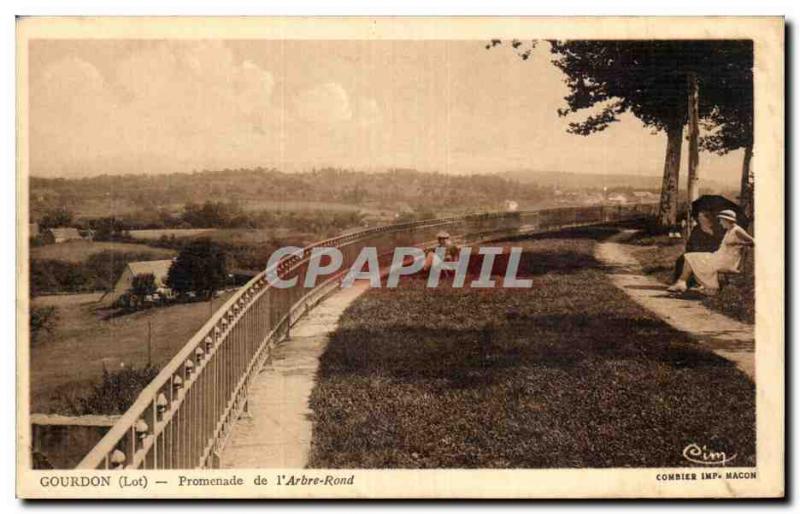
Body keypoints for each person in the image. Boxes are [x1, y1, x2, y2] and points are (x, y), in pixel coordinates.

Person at [667, 210, 754, 294]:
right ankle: (682, 282)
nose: (720, 223)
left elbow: (753, 241)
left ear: (727, 220)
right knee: (689, 256)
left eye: (721, 220)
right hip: (720, 256)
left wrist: (737, 243)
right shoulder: (730, 230)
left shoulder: (737, 230)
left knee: (691, 257)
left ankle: (682, 283)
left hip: (726, 261)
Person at [672, 210, 724, 284]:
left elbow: (718, 244)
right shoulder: (697, 228)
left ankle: (696, 283)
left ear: (707, 218)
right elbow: (690, 242)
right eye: (699, 217)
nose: (698, 219)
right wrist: (690, 250)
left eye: (701, 217)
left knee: (697, 260)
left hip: (710, 253)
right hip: (695, 251)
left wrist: (709, 233)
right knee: (681, 260)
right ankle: (683, 283)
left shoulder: (716, 229)